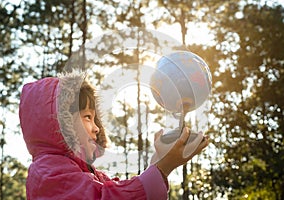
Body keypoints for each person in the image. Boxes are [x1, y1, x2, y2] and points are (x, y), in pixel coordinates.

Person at [19, 71, 209, 200]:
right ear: (61, 121)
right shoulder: (48, 173)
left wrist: (158, 160)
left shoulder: (87, 172)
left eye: (95, 119)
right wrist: (162, 168)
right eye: (87, 117)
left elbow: (120, 189)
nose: (97, 128)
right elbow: (107, 197)